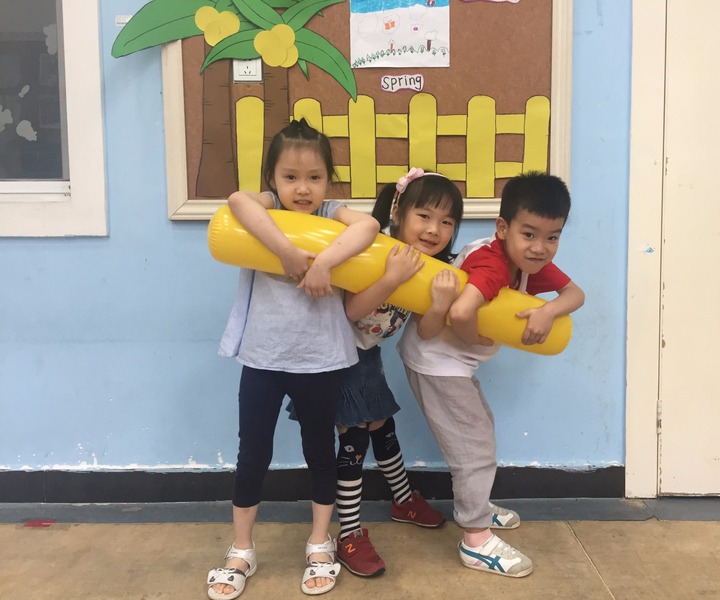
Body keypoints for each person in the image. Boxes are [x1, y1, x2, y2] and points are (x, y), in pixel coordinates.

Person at [208, 119, 380, 599]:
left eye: (314, 177)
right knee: (252, 453)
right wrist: (285, 251)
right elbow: (237, 200)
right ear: (273, 179)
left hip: (319, 360)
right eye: (290, 177)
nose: (303, 189)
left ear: (328, 181)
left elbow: (368, 226)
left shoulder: (330, 214)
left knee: (319, 451)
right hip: (263, 358)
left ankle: (320, 543)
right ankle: (242, 548)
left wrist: (323, 262)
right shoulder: (264, 207)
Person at [397, 171, 585, 578]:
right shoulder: (492, 263)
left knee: (482, 428)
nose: (540, 247)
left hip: (452, 363)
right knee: (473, 447)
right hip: (436, 361)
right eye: (529, 234)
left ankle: (477, 505)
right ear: (503, 228)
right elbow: (461, 311)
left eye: (552, 237)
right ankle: (476, 539)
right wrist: (479, 340)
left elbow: (576, 294)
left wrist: (549, 310)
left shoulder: (525, 259)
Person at [287, 168, 464, 577]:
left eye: (446, 222)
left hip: (366, 354)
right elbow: (351, 310)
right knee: (354, 438)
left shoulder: (428, 266)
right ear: (398, 212)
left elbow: (427, 330)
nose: (434, 229)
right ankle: (349, 533)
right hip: (333, 353)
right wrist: (392, 277)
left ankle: (403, 499)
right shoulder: (376, 249)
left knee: (382, 426)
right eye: (424, 216)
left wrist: (439, 305)